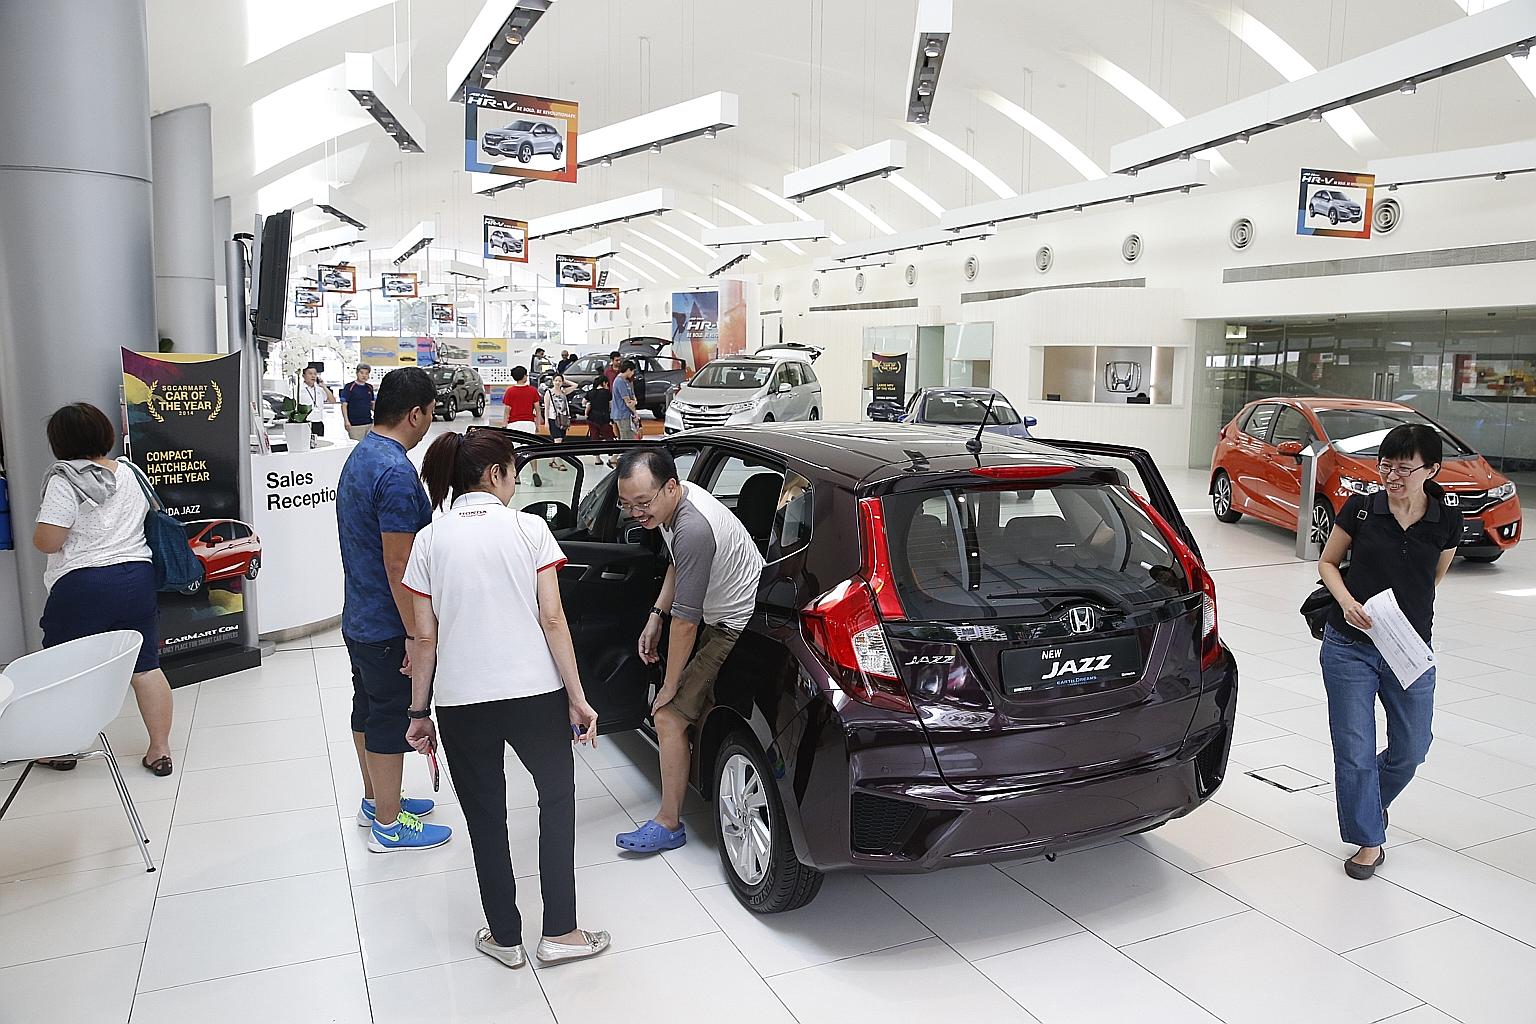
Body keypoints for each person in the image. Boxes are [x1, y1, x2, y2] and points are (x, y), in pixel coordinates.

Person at [403, 429, 609, 969]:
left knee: (485, 815)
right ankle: (560, 931)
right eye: (513, 472)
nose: (515, 482)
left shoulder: (430, 539)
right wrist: (577, 696)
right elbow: (553, 618)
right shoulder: (530, 529)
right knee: (556, 800)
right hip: (534, 692)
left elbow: (424, 638)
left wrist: (419, 710)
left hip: (459, 700)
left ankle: (505, 937)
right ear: (495, 474)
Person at [1317, 423, 1461, 880]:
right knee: (1354, 749)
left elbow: (1434, 577)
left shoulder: (1446, 520)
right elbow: (1328, 562)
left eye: (1404, 468)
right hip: (1349, 646)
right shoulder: (1361, 509)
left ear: (1431, 469)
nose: (1392, 476)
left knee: (1412, 748)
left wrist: (1402, 616)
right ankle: (1368, 841)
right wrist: (1347, 602)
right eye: (1386, 466)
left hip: (1409, 648)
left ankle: (1367, 804)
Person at [613, 449, 764, 852]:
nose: (636, 514)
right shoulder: (677, 505)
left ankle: (669, 823)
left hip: (731, 624)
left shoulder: (694, 527)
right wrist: (655, 614)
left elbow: (687, 623)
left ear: (671, 487)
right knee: (671, 707)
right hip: (712, 611)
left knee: (666, 716)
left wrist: (670, 686)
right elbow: (680, 566)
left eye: (643, 504)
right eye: (626, 505)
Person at [336, 366, 452, 853]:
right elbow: (398, 560)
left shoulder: (362, 455)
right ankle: (388, 823)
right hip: (387, 625)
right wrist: (415, 634)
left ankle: (376, 799)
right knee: (389, 718)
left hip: (359, 616)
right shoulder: (398, 474)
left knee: (366, 709)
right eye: (430, 413)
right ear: (415, 413)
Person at [32, 403, 175, 775]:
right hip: (137, 578)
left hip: (83, 584)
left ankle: (61, 749)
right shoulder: (130, 471)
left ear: (59, 442)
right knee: (145, 667)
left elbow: (48, 541)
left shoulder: (65, 481)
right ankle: (159, 751)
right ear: (105, 434)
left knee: (62, 668)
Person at [502, 366, 545, 487]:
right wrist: (537, 425)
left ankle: (517, 476)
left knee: (515, 451)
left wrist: (504, 424)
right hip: (528, 423)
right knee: (531, 449)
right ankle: (535, 472)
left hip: (514, 424)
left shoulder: (510, 391)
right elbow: (537, 409)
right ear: (524, 376)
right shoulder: (532, 391)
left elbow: (507, 410)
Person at [542, 373, 575, 471]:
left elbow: (575, 385)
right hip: (553, 419)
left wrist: (565, 381)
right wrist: (546, 421)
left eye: (559, 381)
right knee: (558, 440)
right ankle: (559, 462)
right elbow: (546, 408)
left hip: (563, 419)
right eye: (556, 380)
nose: (557, 382)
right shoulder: (549, 392)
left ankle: (552, 460)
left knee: (559, 441)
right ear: (552, 381)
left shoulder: (563, 392)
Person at [584, 375, 615, 465]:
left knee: (595, 437)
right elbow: (611, 405)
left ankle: (597, 459)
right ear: (604, 383)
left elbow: (584, 402)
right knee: (609, 436)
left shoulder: (590, 392)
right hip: (604, 417)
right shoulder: (607, 393)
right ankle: (612, 454)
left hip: (592, 418)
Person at [339, 365, 375, 442]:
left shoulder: (369, 387)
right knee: (356, 447)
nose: (364, 375)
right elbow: (344, 405)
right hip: (354, 424)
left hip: (368, 423)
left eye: (366, 373)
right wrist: (346, 421)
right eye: (362, 373)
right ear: (357, 373)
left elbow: (372, 405)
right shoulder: (349, 387)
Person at [299, 365, 335, 438]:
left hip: (318, 422)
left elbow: (332, 401)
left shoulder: (319, 389)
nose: (313, 376)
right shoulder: (299, 389)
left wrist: (324, 386)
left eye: (315, 374)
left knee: (319, 444)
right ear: (303, 376)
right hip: (305, 422)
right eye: (310, 373)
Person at [612, 360, 640, 441]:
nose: (633, 373)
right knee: (626, 437)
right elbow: (628, 402)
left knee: (629, 435)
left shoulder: (626, 381)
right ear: (628, 370)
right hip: (622, 414)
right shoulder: (620, 381)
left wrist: (634, 402)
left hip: (625, 414)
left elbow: (632, 398)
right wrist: (635, 413)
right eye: (633, 371)